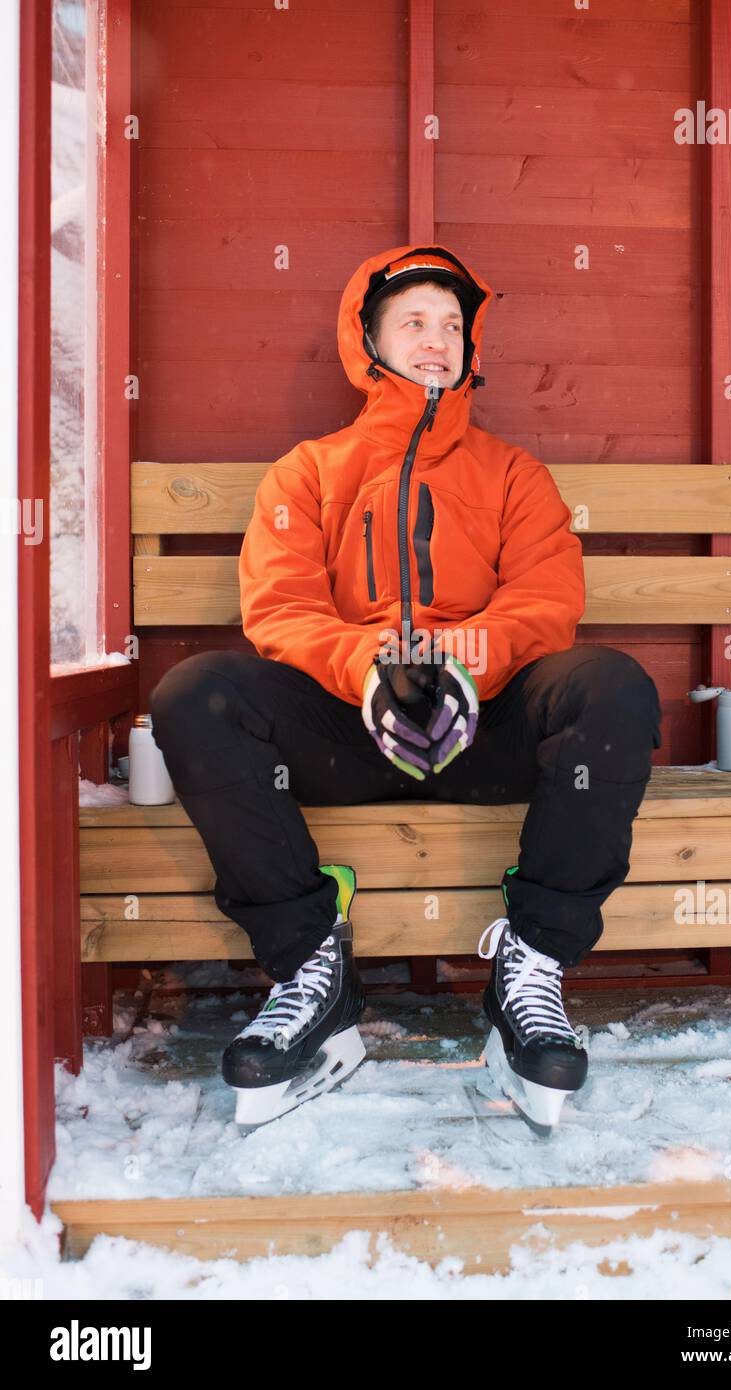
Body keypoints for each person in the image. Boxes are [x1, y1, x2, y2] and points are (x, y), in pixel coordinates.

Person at [150, 244, 663, 1133]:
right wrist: (373, 673)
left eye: (453, 325)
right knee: (196, 693)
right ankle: (314, 972)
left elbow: (548, 602)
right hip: (349, 735)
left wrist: (460, 667)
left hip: (480, 734)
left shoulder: (513, 475)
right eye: (414, 323)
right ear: (370, 343)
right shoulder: (308, 473)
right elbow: (281, 610)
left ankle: (531, 968)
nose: (437, 341)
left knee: (612, 687)